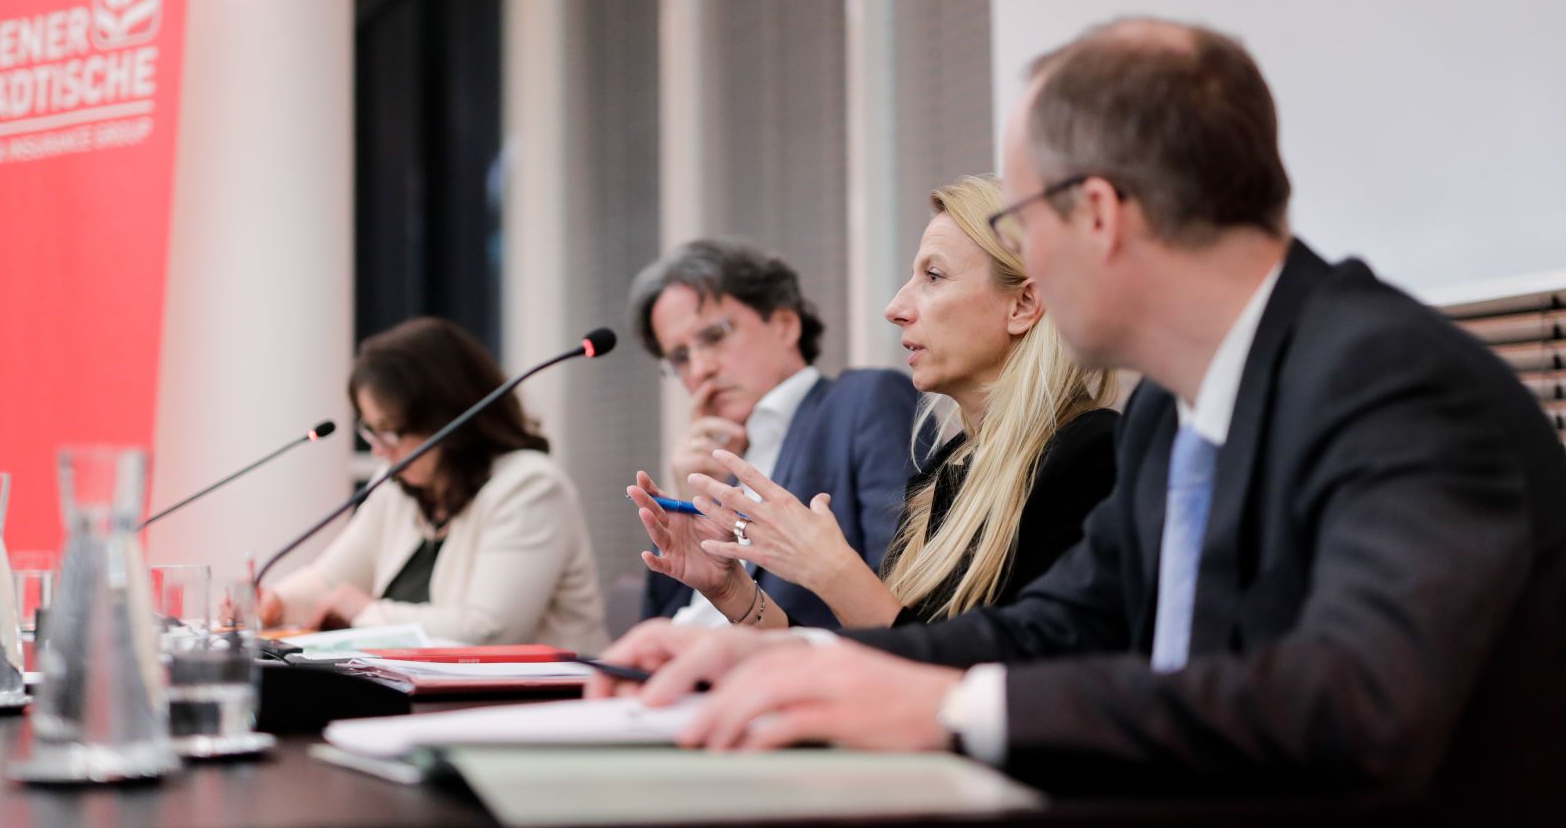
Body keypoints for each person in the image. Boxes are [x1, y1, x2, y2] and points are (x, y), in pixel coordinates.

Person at [592, 18, 1566, 828]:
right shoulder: (1177, 411)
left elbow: (1352, 705)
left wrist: (947, 704)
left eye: (1025, 221)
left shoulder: (1390, 382)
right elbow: (1051, 633)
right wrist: (781, 656)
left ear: (1097, 216)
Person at [628, 175, 1116, 629]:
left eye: (934, 276)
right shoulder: (950, 468)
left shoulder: (1091, 453)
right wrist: (734, 593)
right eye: (680, 357)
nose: (896, 309)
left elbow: (974, 669)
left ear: (1024, 305)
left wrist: (828, 567)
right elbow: (891, 651)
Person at [258, 317, 608, 654]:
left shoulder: (530, 487)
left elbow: (488, 632)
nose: (380, 449)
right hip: (433, 702)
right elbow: (330, 581)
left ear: (447, 419)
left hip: (547, 704)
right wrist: (275, 603)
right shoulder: (399, 486)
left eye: (391, 432)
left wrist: (367, 612)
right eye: (370, 430)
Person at [627, 240, 919, 628]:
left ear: (785, 325)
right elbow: (656, 627)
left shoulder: (863, 401)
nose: (699, 369)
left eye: (714, 336)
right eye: (680, 357)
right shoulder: (713, 461)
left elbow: (905, 597)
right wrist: (689, 502)